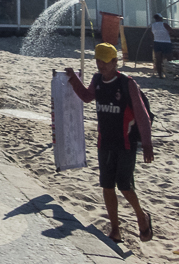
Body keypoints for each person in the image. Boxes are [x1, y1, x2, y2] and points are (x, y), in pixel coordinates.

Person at [65, 44, 154, 244]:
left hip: (126, 144)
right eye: (98, 61)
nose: (101, 65)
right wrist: (73, 80)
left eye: (105, 62)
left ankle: (141, 216)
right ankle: (115, 230)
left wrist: (147, 144)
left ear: (115, 62)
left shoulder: (126, 83)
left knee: (125, 186)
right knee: (107, 186)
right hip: (104, 142)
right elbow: (87, 97)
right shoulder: (97, 80)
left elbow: (142, 115)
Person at [149, 14, 172, 78]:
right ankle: (170, 73)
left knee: (158, 60)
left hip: (156, 42)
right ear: (161, 18)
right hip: (166, 43)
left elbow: (152, 34)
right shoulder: (164, 24)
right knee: (169, 59)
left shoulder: (153, 25)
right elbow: (172, 31)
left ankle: (160, 75)